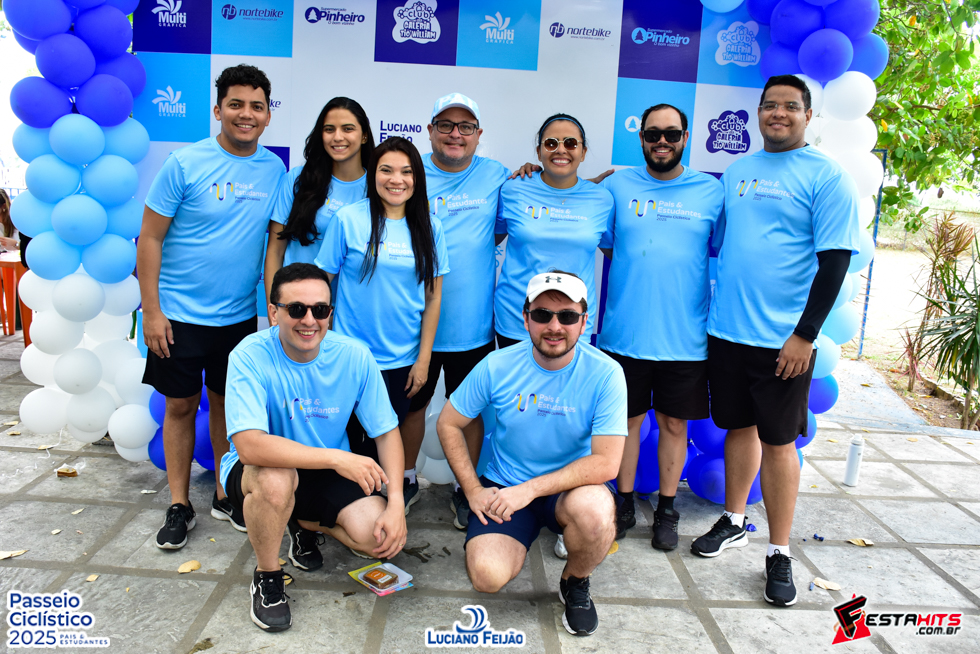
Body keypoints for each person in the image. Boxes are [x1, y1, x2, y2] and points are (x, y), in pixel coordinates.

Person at [695, 75, 860, 607]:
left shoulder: (827, 176)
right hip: (727, 332)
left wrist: (804, 335)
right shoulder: (738, 171)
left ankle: (779, 550)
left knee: (780, 442)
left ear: (809, 115)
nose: (779, 113)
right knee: (738, 427)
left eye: (791, 105)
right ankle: (734, 519)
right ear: (759, 113)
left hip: (783, 342)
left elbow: (835, 262)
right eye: (770, 105)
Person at [137, 64, 285, 549]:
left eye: (256, 106)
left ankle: (225, 493)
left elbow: (275, 243)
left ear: (268, 115)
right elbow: (150, 238)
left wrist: (273, 306)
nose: (246, 114)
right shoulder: (184, 164)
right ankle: (179, 503)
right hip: (177, 315)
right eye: (236, 104)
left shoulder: (274, 170)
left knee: (226, 405)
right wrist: (152, 311)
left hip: (237, 318)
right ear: (218, 110)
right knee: (180, 406)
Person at [437, 271, 627, 637]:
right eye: (542, 314)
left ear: (584, 322)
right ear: (526, 319)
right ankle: (518, 538)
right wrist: (472, 490)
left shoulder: (606, 374)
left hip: (569, 490)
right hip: (505, 486)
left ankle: (575, 581)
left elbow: (606, 463)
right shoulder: (497, 364)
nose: (554, 326)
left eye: (567, 316)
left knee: (596, 513)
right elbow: (448, 423)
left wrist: (530, 490)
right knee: (487, 577)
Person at [222, 263, 406, 632]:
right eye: (296, 309)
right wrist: (338, 458)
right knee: (276, 481)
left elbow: (387, 432)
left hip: (322, 470)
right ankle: (268, 577)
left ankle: (300, 520)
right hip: (262, 470)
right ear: (273, 312)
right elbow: (250, 447)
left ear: (330, 313)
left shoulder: (354, 355)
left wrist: (397, 503)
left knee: (379, 540)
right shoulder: (248, 355)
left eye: (320, 309)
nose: (309, 320)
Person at [597, 104, 723, 548]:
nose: (662, 142)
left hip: (685, 339)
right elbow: (601, 236)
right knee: (626, 424)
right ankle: (623, 502)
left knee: (673, 426)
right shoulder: (616, 186)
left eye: (671, 134)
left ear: (686, 137)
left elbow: (726, 247)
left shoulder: (710, 191)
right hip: (624, 334)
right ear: (642, 138)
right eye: (653, 134)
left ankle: (667, 510)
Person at [315, 136, 448, 512]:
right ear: (373, 174)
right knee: (345, 442)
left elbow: (433, 298)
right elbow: (322, 282)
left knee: (385, 441)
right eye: (386, 170)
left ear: (417, 178)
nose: (396, 179)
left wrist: (423, 360)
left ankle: (380, 505)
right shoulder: (349, 220)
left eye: (406, 172)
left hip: (402, 360)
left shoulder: (430, 227)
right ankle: (333, 509)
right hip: (351, 357)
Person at [399, 93, 507, 526]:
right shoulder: (409, 173)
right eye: (445, 125)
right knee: (411, 408)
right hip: (414, 324)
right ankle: (404, 480)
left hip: (472, 326)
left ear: (479, 134)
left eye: (465, 127)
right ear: (430, 131)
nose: (455, 134)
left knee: (470, 412)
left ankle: (467, 488)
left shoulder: (497, 175)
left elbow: (546, 197)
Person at [493, 114, 614, 350]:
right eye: (551, 143)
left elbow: (616, 253)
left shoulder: (602, 199)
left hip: (572, 323)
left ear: (583, 152)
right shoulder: (512, 189)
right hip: (517, 320)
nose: (560, 150)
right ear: (538, 152)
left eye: (570, 143)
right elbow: (489, 241)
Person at [263, 97, 374, 304]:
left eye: (348, 129)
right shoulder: (297, 180)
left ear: (364, 135)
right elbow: (275, 251)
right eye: (329, 129)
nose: (337, 137)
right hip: (295, 309)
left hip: (349, 313)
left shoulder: (377, 189)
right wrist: (274, 308)